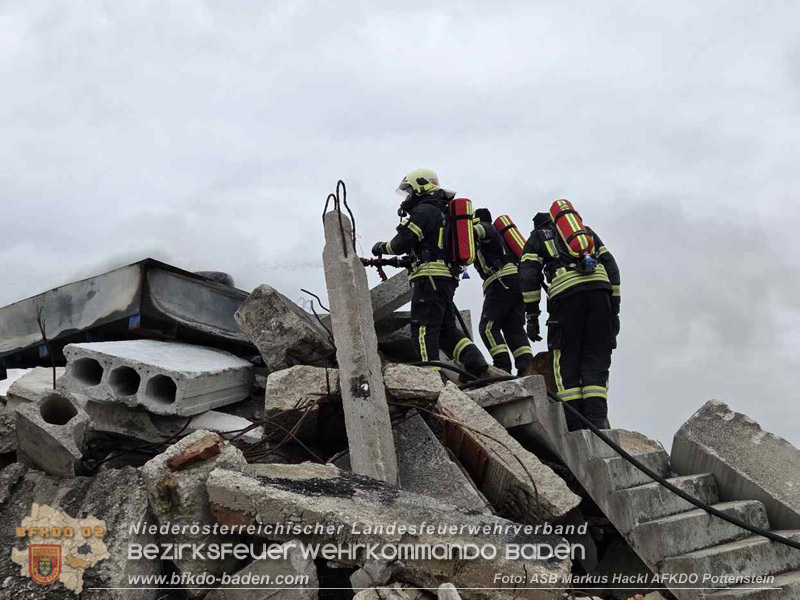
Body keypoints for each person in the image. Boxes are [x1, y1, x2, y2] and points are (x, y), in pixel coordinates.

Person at [371, 168, 489, 378]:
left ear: (420, 187)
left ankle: (431, 379)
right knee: (445, 330)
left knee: (423, 328)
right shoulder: (442, 211)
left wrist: (381, 247)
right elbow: (433, 246)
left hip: (429, 279)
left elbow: (401, 243)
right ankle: (476, 364)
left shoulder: (426, 210)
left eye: (410, 191)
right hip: (445, 278)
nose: (408, 197)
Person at [519, 207, 620, 430]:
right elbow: (611, 266)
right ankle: (597, 423)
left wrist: (532, 314)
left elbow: (528, 275)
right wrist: (614, 309)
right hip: (600, 293)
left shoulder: (537, 238)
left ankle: (576, 426)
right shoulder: (588, 233)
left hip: (566, 298)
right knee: (596, 358)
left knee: (566, 360)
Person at [472, 208, 534, 375]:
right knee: (513, 327)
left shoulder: (487, 228)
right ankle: (527, 367)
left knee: (487, 328)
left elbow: (482, 230)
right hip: (517, 283)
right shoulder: (501, 238)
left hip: (501, 283)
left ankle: (502, 367)